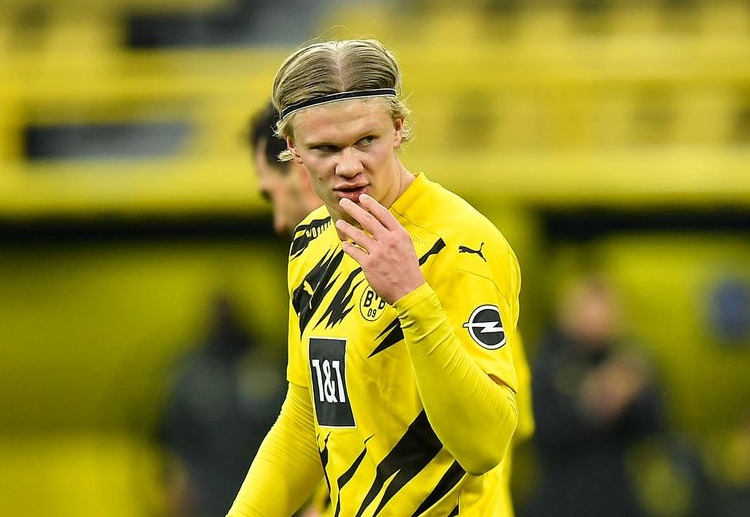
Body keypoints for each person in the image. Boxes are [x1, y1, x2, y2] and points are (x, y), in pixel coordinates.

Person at [228, 38, 523, 516]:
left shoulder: (463, 246)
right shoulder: (313, 242)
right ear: (292, 148)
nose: (348, 166)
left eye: (366, 141)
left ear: (399, 128)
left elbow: (485, 447)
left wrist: (413, 296)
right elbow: (305, 418)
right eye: (325, 148)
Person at [525, 273, 666, 517]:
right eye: (588, 307)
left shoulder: (630, 361)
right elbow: (537, 429)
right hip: (560, 499)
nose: (596, 317)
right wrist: (595, 403)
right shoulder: (548, 361)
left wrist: (634, 395)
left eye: (603, 308)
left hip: (617, 497)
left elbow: (657, 427)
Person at [157, 292, 287, 517]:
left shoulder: (267, 365)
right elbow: (174, 434)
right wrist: (178, 483)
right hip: (208, 486)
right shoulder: (192, 369)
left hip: (257, 481)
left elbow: (291, 428)